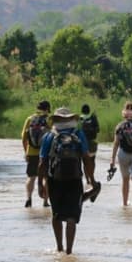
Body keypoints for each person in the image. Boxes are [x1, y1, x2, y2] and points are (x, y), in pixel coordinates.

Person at [38, 107, 95, 254]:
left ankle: (59, 248)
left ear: (56, 120)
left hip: (54, 181)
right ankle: (69, 251)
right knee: (71, 217)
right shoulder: (78, 134)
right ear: (72, 119)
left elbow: (42, 162)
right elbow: (87, 159)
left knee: (56, 214)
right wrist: (92, 180)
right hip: (75, 179)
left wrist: (40, 184)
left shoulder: (49, 136)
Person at [20, 100, 51, 207]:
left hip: (31, 153)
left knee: (31, 177)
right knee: (46, 177)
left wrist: (26, 152)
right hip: (45, 155)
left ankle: (28, 199)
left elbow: (23, 138)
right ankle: (45, 201)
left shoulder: (30, 119)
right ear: (47, 109)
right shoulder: (49, 120)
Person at [79, 103, 101, 189]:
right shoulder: (93, 118)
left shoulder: (79, 119)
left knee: (84, 161)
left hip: (82, 143)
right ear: (89, 110)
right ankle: (92, 176)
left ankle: (87, 179)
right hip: (92, 142)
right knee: (92, 160)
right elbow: (98, 130)